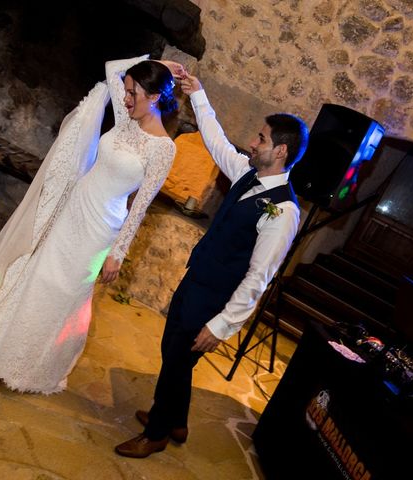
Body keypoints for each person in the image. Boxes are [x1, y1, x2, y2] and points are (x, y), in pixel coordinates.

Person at [0, 55, 187, 394]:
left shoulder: (164, 149)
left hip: (100, 229)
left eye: (132, 94)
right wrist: (158, 62)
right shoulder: (126, 121)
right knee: (38, 276)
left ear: (154, 97)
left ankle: (29, 366)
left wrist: (118, 253)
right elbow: (112, 67)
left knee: (63, 293)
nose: (125, 100)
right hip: (71, 210)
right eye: (125, 92)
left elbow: (140, 206)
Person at [115, 74, 309, 457]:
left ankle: (156, 433)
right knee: (176, 354)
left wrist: (222, 325)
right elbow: (217, 141)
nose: (253, 143)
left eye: (262, 139)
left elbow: (259, 277)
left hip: (215, 300)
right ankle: (177, 421)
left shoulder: (283, 211)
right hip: (196, 281)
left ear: (282, 151)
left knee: (175, 360)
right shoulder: (248, 174)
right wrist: (199, 96)